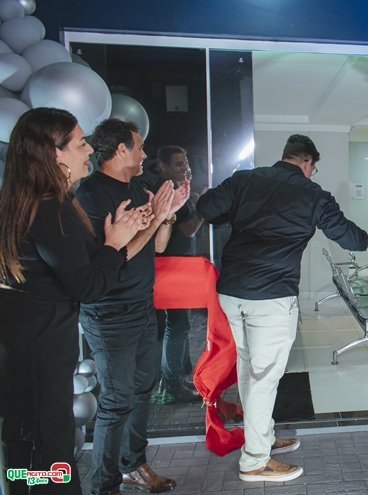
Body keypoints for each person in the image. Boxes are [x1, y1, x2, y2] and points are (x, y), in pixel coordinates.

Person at [197, 134, 368, 483]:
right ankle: (255, 462)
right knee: (264, 378)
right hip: (271, 297)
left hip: (232, 291)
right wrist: (367, 239)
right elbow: (350, 238)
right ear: (308, 162)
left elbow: (206, 209)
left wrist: (239, 213)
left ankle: (260, 437)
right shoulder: (313, 194)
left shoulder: (245, 179)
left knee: (250, 370)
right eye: (313, 168)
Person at [0, 108, 149, 495]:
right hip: (40, 347)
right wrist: (115, 242)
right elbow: (88, 286)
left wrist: (117, 239)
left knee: (29, 448)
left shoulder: (33, 202)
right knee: (48, 450)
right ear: (55, 154)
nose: (89, 150)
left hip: (30, 342)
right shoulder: (49, 208)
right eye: (81, 143)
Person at [76, 119, 189, 495]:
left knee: (143, 389)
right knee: (116, 401)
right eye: (139, 147)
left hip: (142, 305)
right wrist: (154, 218)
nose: (144, 154)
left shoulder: (136, 190)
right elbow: (114, 257)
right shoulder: (92, 196)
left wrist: (167, 214)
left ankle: (133, 465)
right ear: (121, 149)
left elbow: (157, 245)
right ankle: (104, 485)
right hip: (108, 313)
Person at [154, 145, 203, 403]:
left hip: (177, 265)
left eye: (186, 163)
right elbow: (188, 229)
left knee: (179, 323)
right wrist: (204, 209)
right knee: (178, 324)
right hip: (171, 266)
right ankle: (171, 385)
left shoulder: (177, 190)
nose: (185, 168)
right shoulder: (168, 191)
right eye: (178, 164)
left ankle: (177, 376)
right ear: (163, 166)